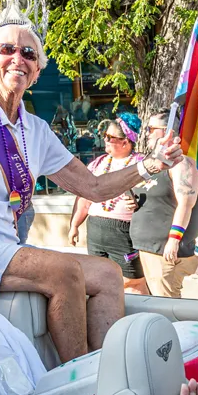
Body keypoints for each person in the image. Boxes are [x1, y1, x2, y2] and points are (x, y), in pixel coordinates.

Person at [0, 9, 183, 363]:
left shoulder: (35, 130)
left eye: (28, 53)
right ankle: (78, 379)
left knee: (108, 274)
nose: (17, 58)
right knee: (61, 272)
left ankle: (108, 371)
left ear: (36, 71)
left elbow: (93, 187)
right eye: (7, 49)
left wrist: (152, 164)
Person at [68, 113, 149, 294]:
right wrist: (74, 225)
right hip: (96, 229)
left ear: (125, 142)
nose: (104, 139)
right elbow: (84, 198)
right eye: (104, 135)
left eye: (109, 137)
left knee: (132, 282)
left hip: (124, 231)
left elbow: (152, 196)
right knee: (98, 279)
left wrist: (138, 201)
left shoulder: (141, 164)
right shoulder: (98, 163)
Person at [128, 112, 198, 298]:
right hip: (148, 246)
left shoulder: (182, 163)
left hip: (165, 249)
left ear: (167, 131)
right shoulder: (155, 161)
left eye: (151, 129)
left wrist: (174, 240)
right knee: (155, 302)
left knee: (167, 304)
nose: (147, 133)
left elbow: (186, 203)